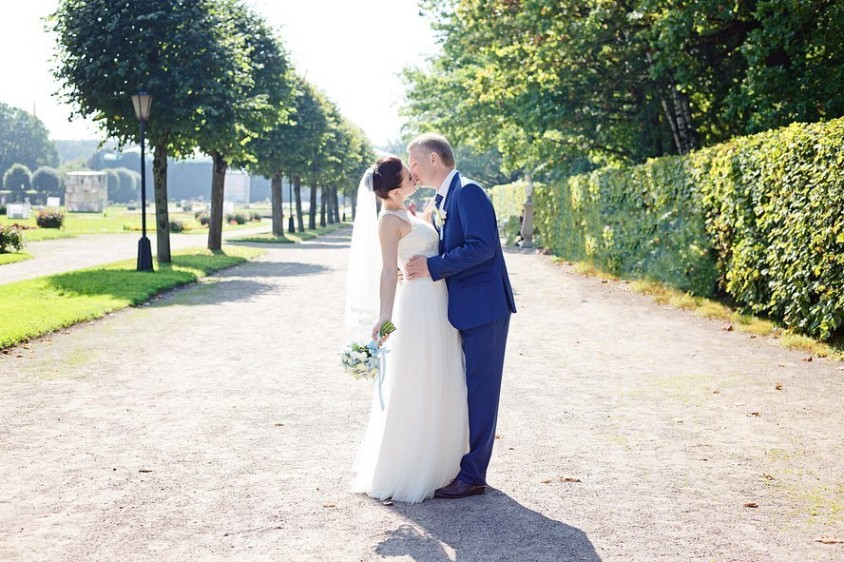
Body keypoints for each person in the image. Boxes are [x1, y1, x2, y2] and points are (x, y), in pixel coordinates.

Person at [345, 156, 469, 504]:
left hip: (437, 300)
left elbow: (419, 242)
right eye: (408, 176)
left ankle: (444, 459)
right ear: (396, 191)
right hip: (418, 305)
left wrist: (427, 218)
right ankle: (414, 466)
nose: (414, 176)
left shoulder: (407, 212)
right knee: (420, 377)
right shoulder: (388, 220)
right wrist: (384, 318)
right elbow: (388, 270)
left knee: (441, 374)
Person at [405, 133, 517, 499]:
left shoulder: (468, 192)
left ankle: (473, 476)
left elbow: (482, 247)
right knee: (466, 388)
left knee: (482, 392)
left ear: (434, 159)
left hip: (484, 307)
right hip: (463, 308)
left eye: (415, 161)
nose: (411, 169)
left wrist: (433, 266)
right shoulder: (444, 197)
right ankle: (465, 465)